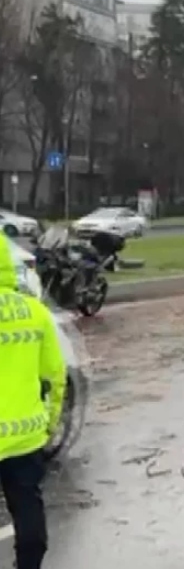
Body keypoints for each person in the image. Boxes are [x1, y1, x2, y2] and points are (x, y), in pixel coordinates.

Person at [0, 238, 67, 569]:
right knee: (28, 515)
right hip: (25, 439)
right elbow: (56, 376)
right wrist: (49, 423)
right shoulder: (36, 312)